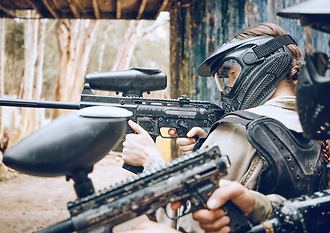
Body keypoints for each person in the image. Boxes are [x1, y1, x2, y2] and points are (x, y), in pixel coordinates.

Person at [122, 22, 328, 232]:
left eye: (231, 75)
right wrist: (205, 146)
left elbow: (186, 222)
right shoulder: (317, 125)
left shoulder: (235, 130)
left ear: (260, 66)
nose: (227, 89)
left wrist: (149, 160)